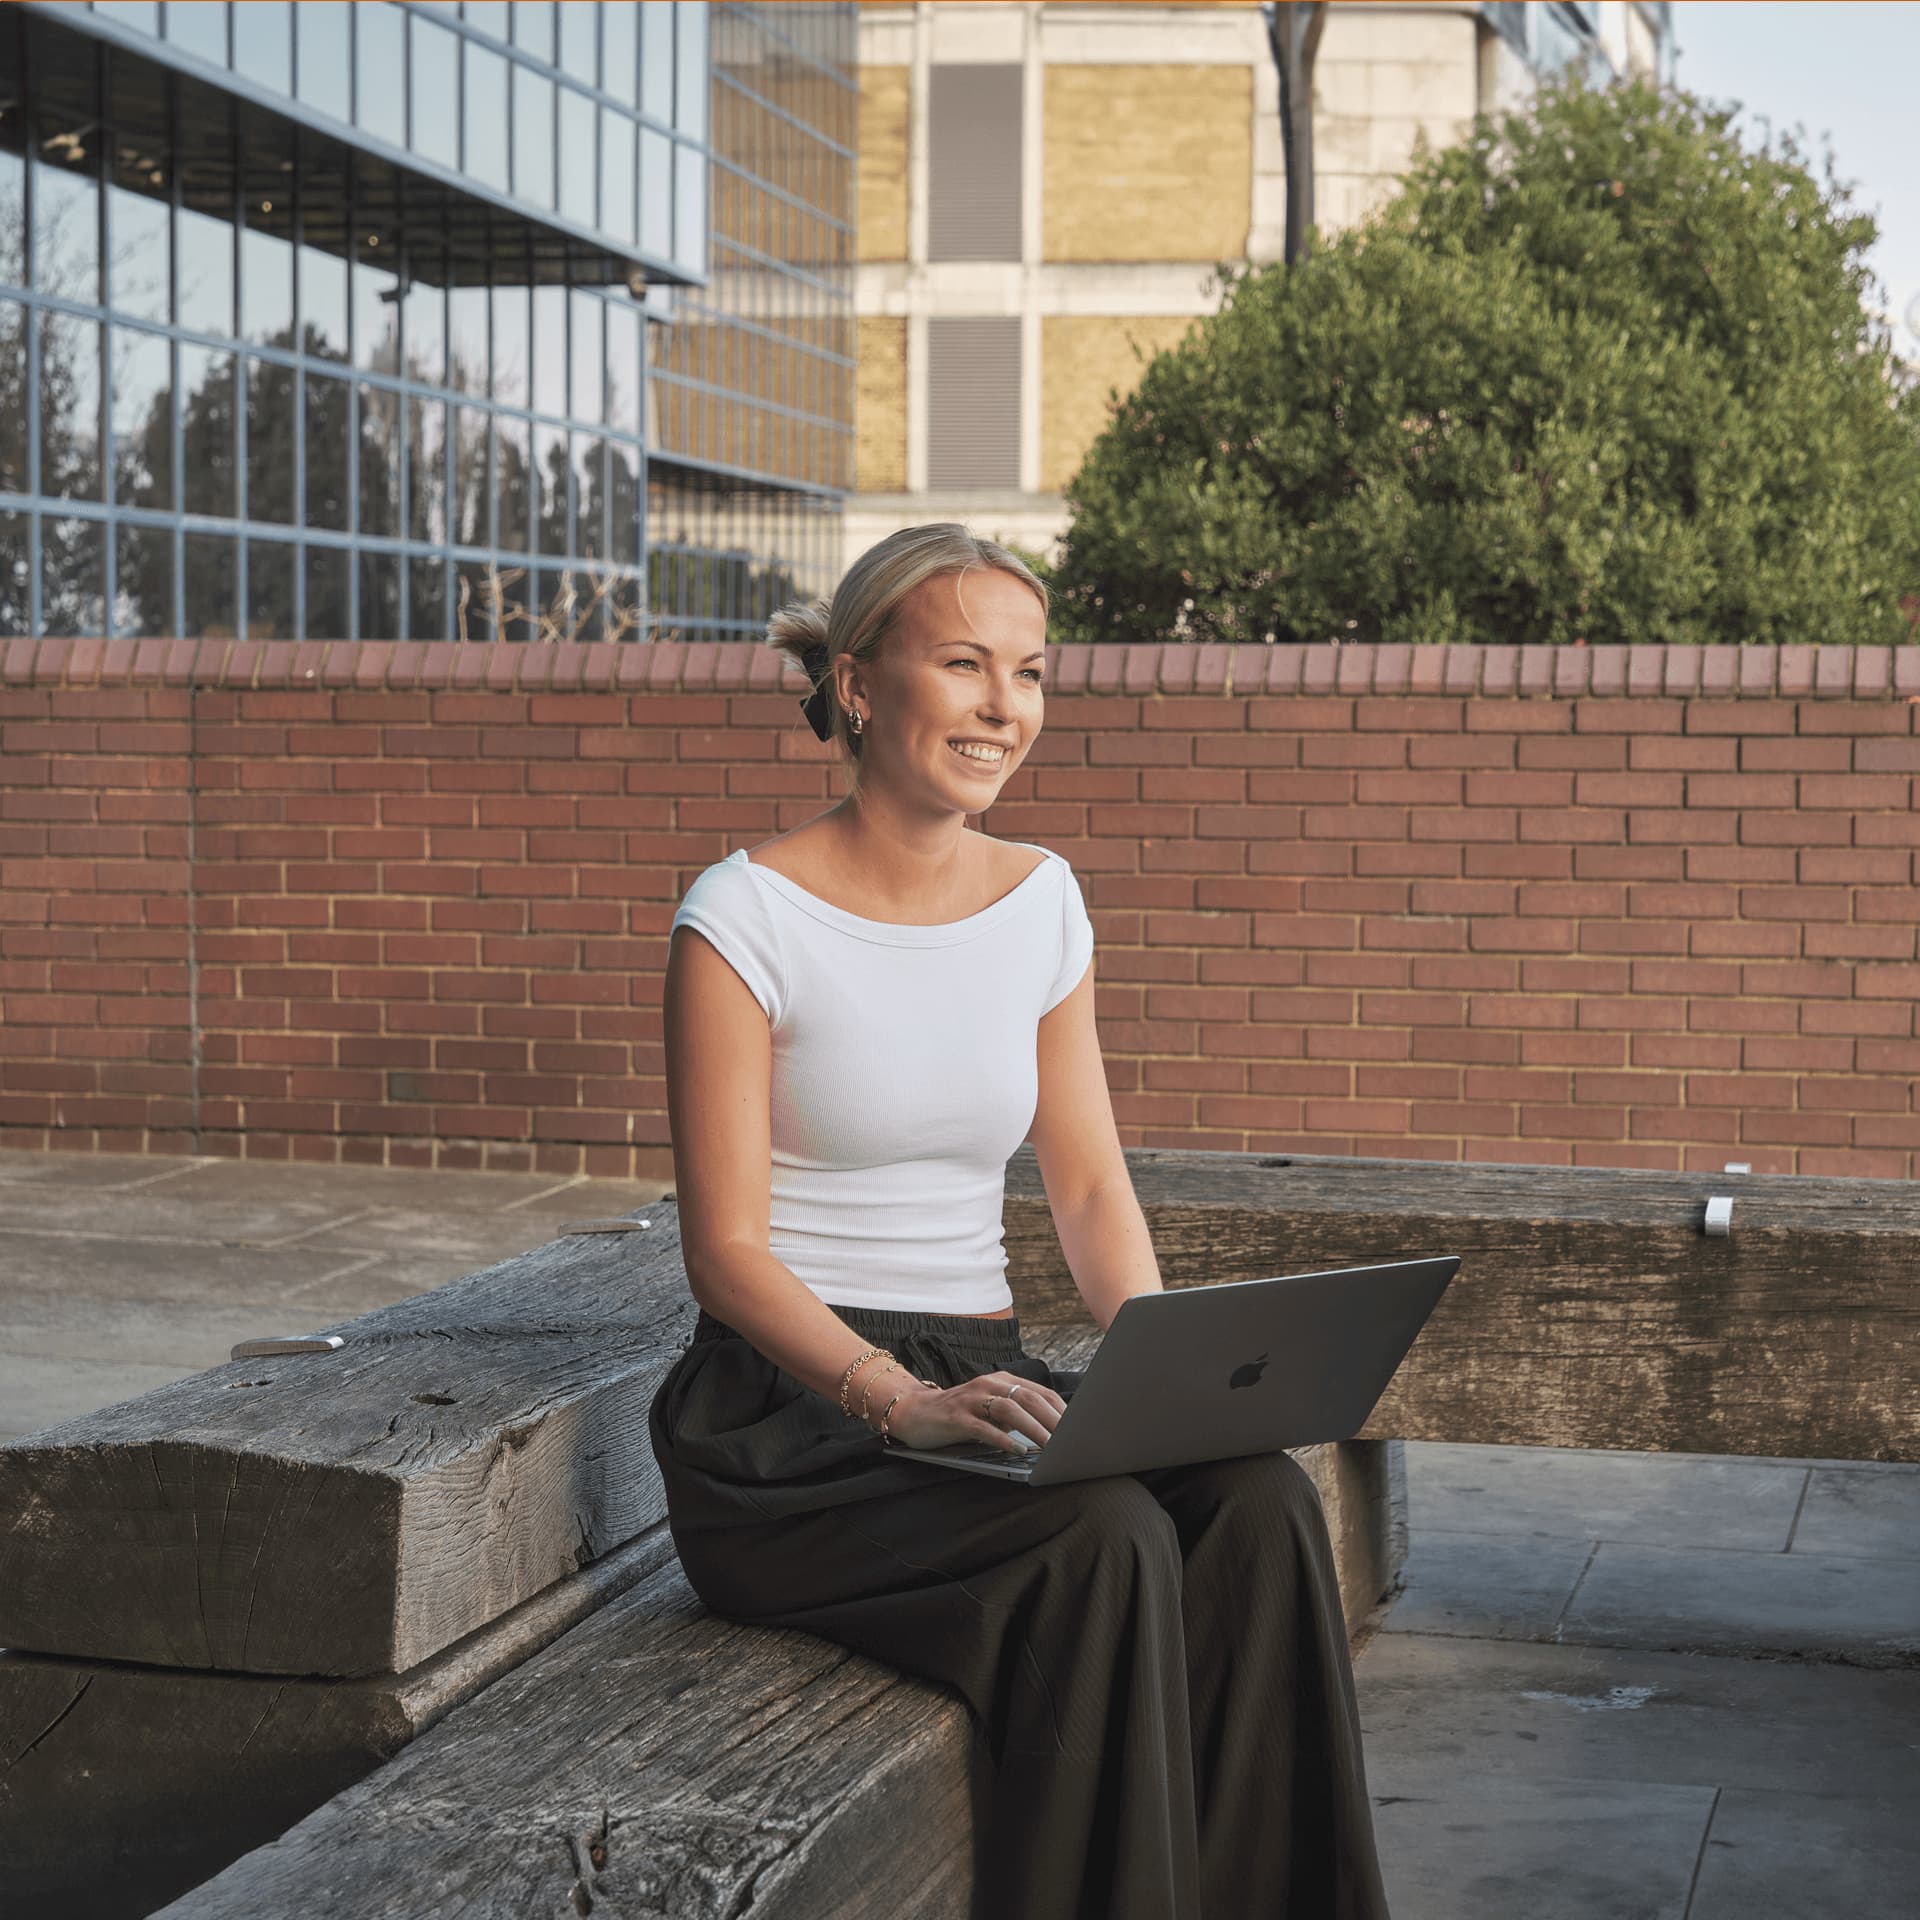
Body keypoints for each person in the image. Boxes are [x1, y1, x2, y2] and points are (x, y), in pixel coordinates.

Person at [648, 522, 1393, 1920]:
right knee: (1102, 1540)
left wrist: (1181, 1371)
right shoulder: (741, 918)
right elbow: (726, 1253)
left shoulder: (1043, 901)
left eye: (1032, 674)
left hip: (980, 1372)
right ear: (862, 683)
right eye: (965, 665)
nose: (1006, 708)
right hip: (792, 1419)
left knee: (1257, 1506)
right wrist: (890, 1400)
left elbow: (1092, 1183)